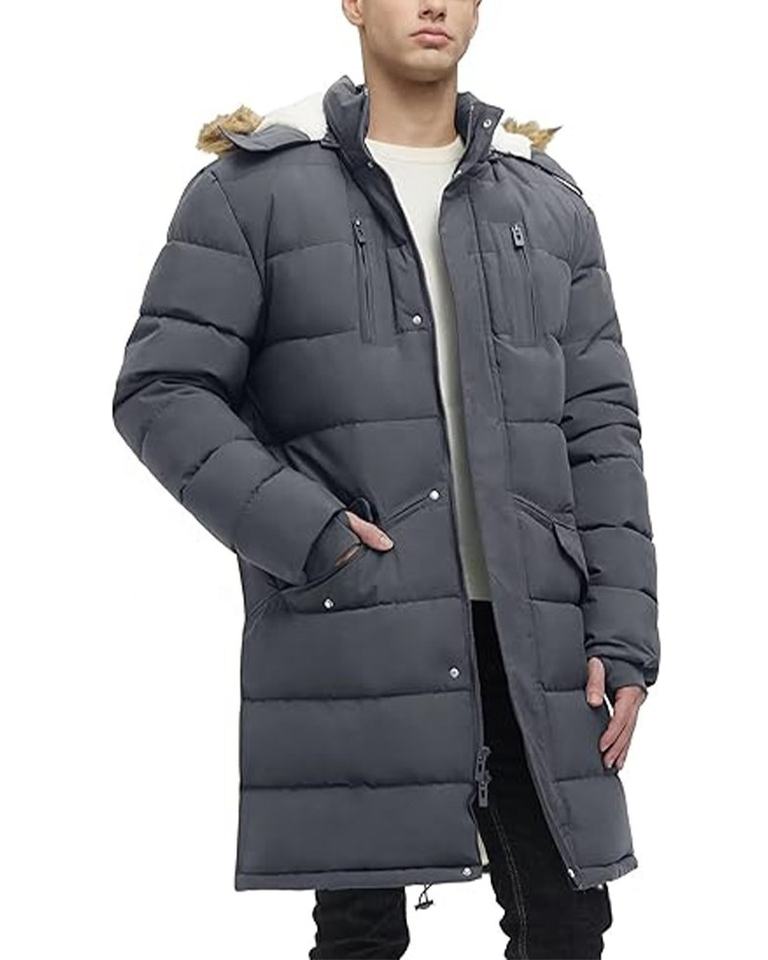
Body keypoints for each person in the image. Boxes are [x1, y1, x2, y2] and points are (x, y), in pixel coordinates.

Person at [112, 1, 660, 956]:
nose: (434, 4)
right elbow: (162, 391)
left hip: (530, 634)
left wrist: (623, 634)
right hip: (355, 613)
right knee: (361, 936)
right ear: (355, 4)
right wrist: (311, 535)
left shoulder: (548, 203)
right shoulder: (251, 191)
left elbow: (600, 428)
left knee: (567, 925)